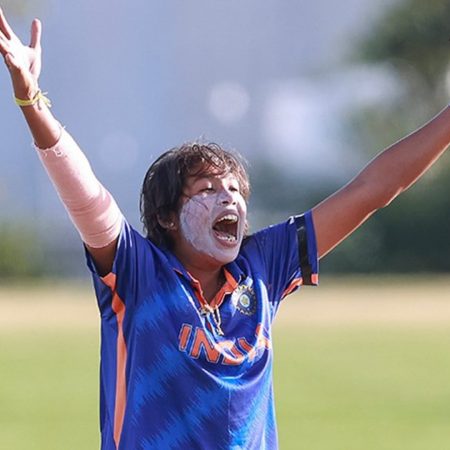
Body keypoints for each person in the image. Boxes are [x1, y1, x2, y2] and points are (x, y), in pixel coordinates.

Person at [1, 10, 449, 450]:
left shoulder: (264, 267)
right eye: (208, 189)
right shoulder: (138, 274)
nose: (229, 198)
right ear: (166, 217)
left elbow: (372, 189)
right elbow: (84, 193)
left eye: (235, 189)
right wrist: (31, 100)